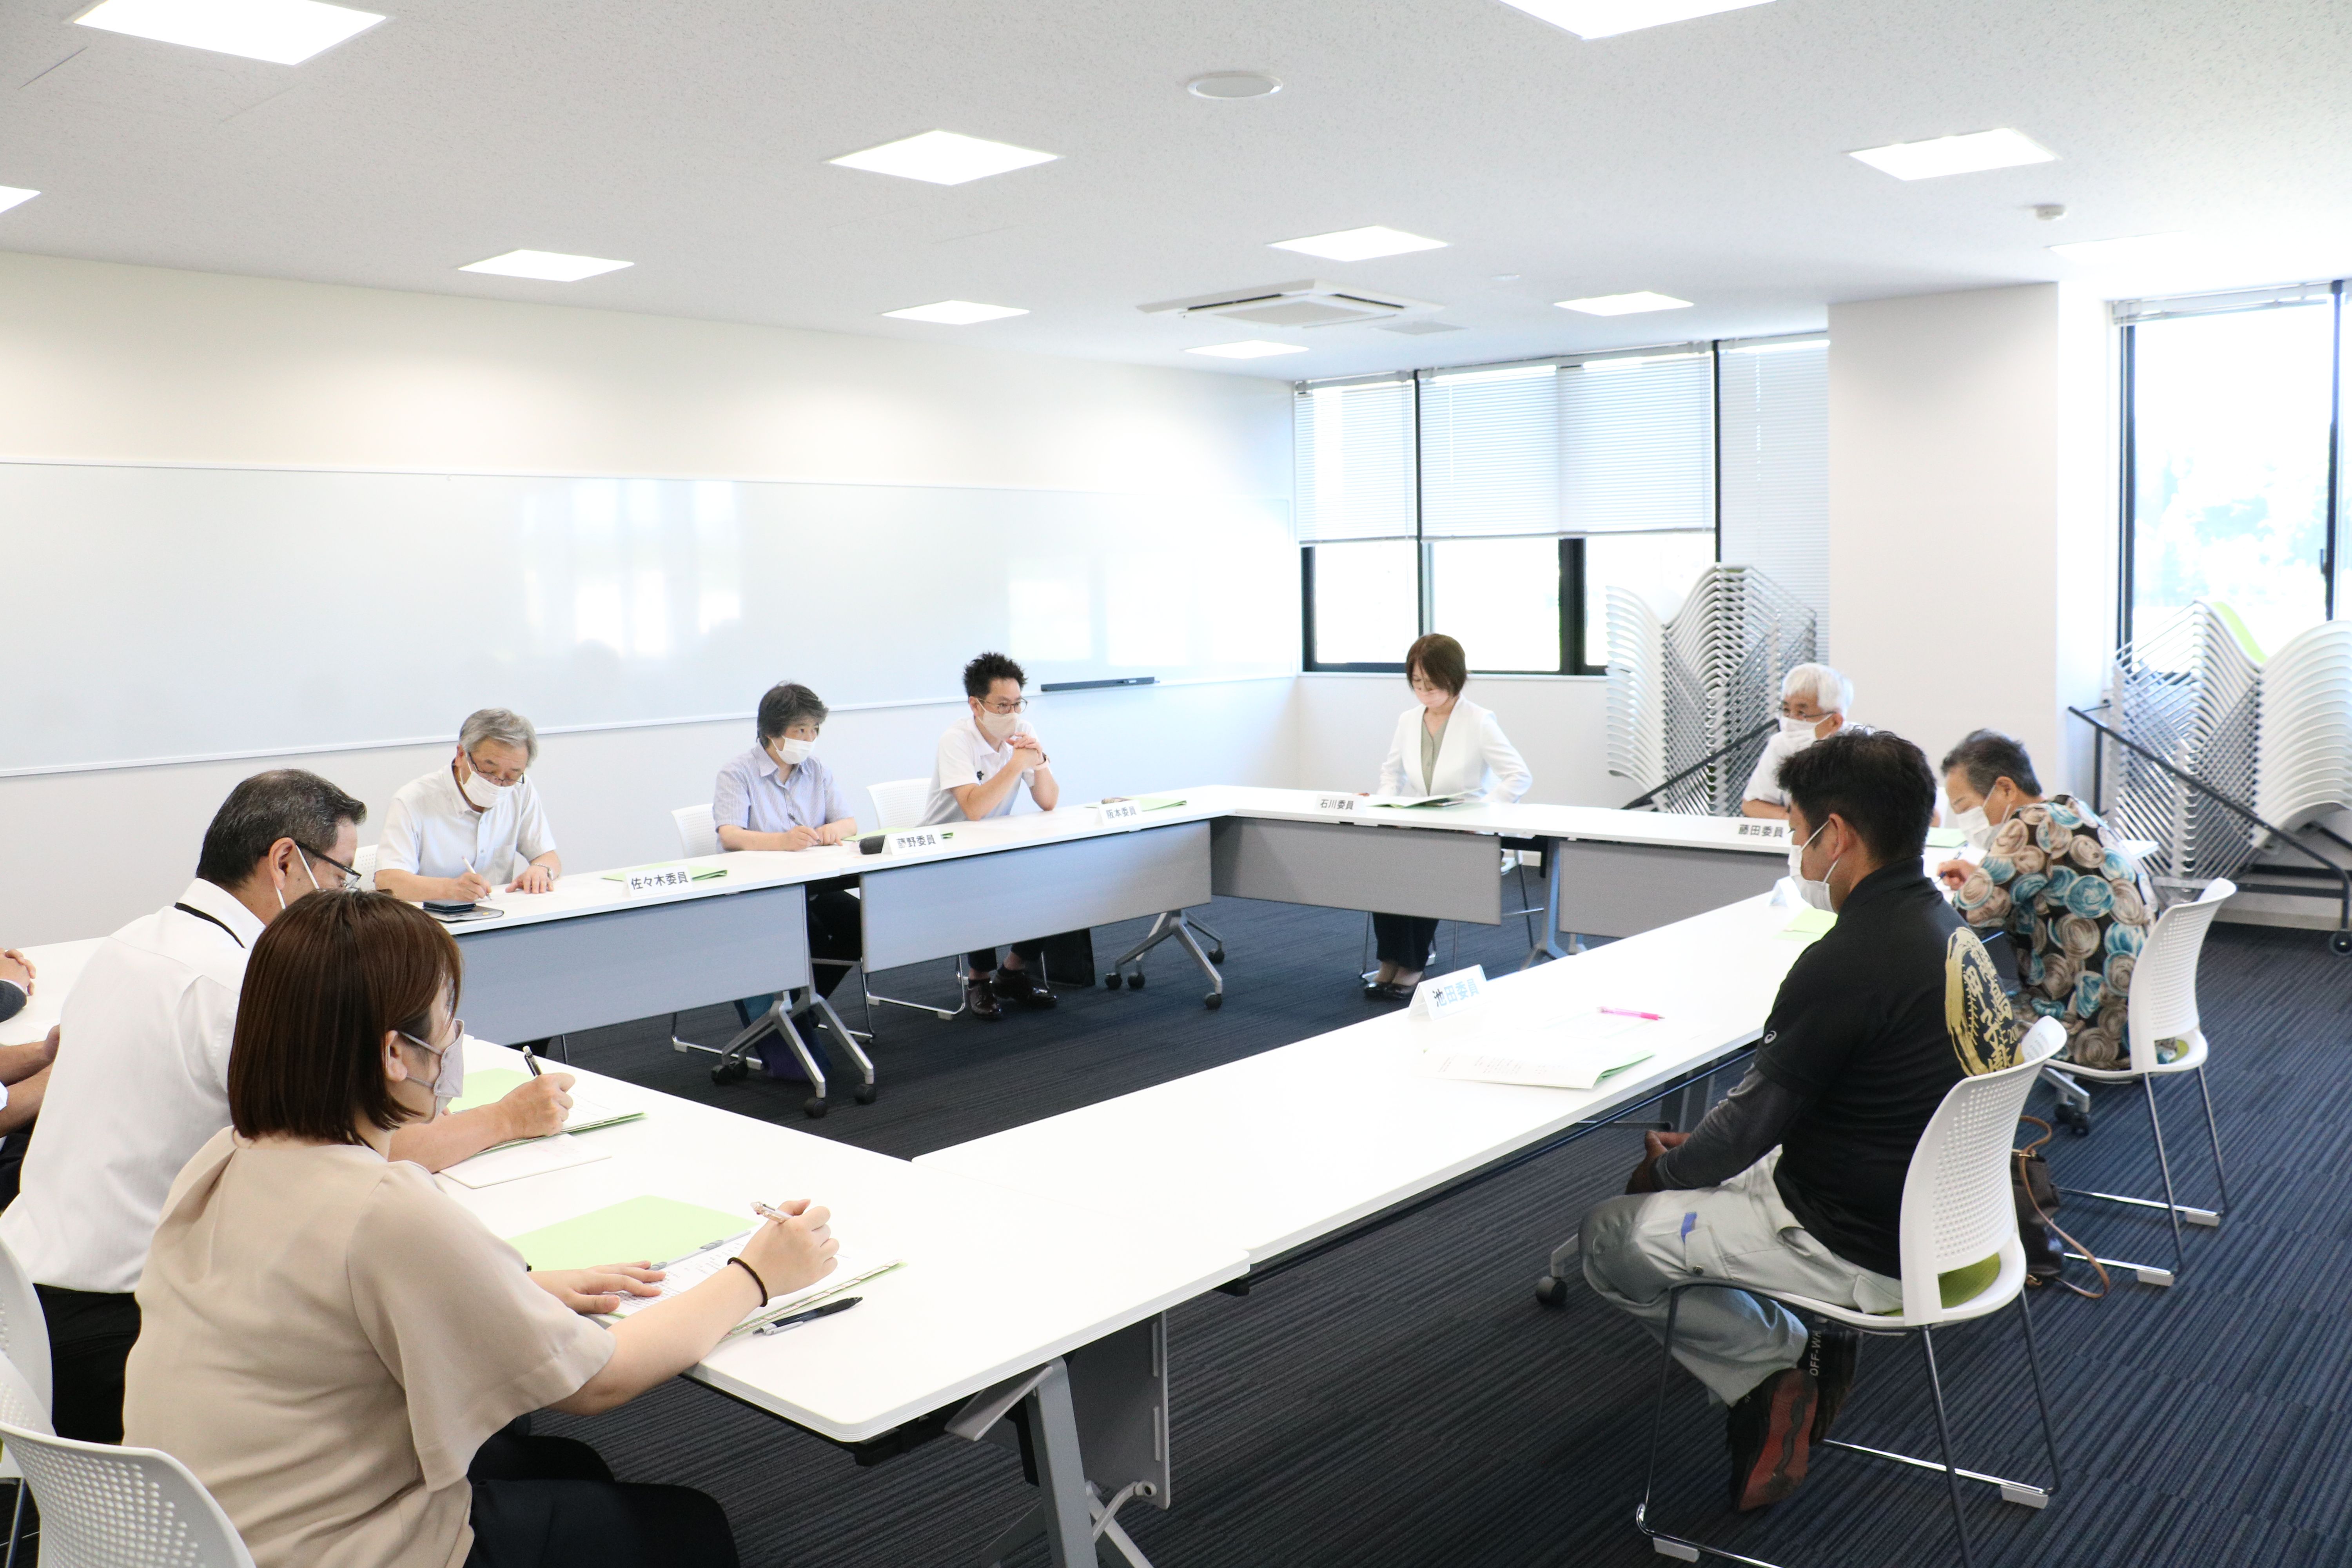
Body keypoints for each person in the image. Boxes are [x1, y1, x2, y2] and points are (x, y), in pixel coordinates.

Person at [125, 889, 838, 1567]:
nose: (456, 1038)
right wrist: (757, 1275)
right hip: (336, 1549)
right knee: (690, 1526)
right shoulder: (383, 1208)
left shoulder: (227, 1156)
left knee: (561, 1465)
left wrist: (516, 1290)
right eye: (446, 1017)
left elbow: (317, 1306)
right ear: (395, 1054)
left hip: (193, 1533)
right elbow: (600, 1383)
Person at [0, 769, 573, 1443]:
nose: (342, 897)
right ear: (283, 862)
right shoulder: (245, 986)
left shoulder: (131, 942)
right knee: (433, 1357)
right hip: (127, 1329)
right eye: (340, 875)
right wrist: (508, 1118)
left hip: (23, 1304)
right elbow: (365, 1154)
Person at [1579, 731, 2016, 1512]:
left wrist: (1665, 1172)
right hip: (1960, 1221)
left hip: (1860, 1241)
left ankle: (1778, 1361)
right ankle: (1811, 1349)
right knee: (1719, 1169)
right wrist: (1705, 1155)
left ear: (1835, 835)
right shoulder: (1950, 931)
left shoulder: (1850, 959)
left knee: (1610, 1236)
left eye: (1798, 832)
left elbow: (1743, 1132)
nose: (1799, 853)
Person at [1936, 729, 2154, 1069]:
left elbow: (1964, 917)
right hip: (2141, 1023)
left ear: (2006, 788)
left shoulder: (2030, 823)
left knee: (1945, 1014)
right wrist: (1980, 876)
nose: (1966, 821)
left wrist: (1972, 888)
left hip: (2087, 1031)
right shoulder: (2070, 809)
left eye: (1965, 808)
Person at [1364, 633, 1533, 1002]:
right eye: (1417, 683)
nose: (1424, 693)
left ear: (1454, 678)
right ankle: (1390, 960)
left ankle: (1411, 964)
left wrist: (1480, 816)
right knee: (1384, 864)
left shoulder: (1479, 721)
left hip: (1466, 833)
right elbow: (1392, 773)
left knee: (1421, 869)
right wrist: (1386, 805)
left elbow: (1519, 776)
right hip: (1422, 824)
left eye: (1432, 684)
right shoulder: (1409, 720)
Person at [923, 652, 1074, 1020]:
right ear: (976, 705)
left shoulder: (1024, 730)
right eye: (1002, 705)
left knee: (1058, 877)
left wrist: (1037, 761)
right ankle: (978, 980)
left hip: (992, 841)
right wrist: (1017, 763)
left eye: (1018, 703)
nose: (1012, 713)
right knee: (981, 879)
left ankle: (1011, 972)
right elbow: (974, 809)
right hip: (943, 849)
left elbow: (1048, 801)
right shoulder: (956, 740)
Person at [712, 682, 863, 1045]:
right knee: (810, 932)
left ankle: (801, 1012)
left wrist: (832, 830)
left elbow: (849, 823)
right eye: (801, 730)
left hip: (812, 884)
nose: (810, 739)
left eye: (815, 730)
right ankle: (788, 1019)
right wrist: (781, 842)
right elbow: (730, 835)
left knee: (860, 924)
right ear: (772, 732)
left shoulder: (816, 769)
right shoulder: (737, 772)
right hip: (760, 891)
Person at [377, 709, 563, 903]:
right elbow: (388, 881)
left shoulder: (520, 789)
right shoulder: (412, 801)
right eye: (488, 770)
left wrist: (541, 870)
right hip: (432, 918)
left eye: (511, 775)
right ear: (461, 755)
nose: (498, 782)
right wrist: (449, 889)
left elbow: (548, 856)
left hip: (501, 914)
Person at [1741, 664, 1853, 820]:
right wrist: (1797, 823)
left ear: (1835, 722)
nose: (1790, 721)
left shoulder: (1865, 749)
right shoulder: (1780, 744)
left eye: (1802, 713)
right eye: (1787, 710)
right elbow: (1753, 805)